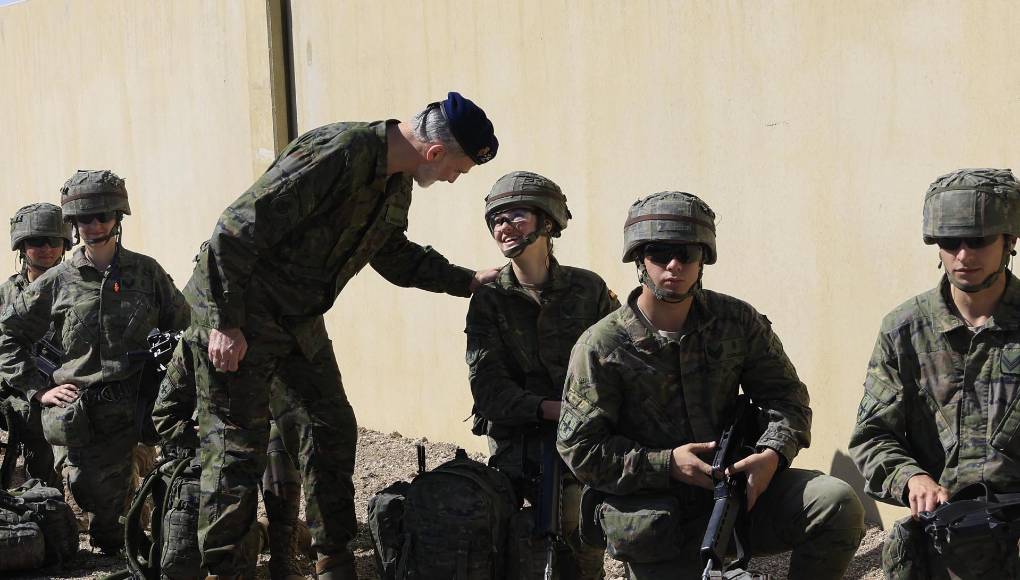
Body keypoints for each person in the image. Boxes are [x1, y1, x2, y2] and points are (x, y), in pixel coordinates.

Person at [178, 91, 500, 579]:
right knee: (235, 450)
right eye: (458, 169)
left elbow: (390, 253)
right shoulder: (338, 152)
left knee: (330, 424)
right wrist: (224, 323)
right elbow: (235, 229)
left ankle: (333, 557)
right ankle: (226, 570)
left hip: (297, 318)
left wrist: (466, 280)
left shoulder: (395, 183)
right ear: (435, 153)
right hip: (242, 311)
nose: (454, 179)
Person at [557, 191, 865, 579]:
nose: (674, 265)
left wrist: (771, 454)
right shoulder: (601, 347)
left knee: (835, 503)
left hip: (738, 495)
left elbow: (786, 398)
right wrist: (668, 463)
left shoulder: (736, 321)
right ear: (639, 260)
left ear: (703, 259)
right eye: (658, 253)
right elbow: (581, 450)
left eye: (687, 253)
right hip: (657, 521)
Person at [0, 169, 191, 554]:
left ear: (118, 218)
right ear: (74, 224)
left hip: (144, 407)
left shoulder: (147, 272)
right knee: (100, 517)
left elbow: (184, 329)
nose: (94, 225)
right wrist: (39, 391)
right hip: (89, 414)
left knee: (175, 495)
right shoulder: (56, 281)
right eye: (84, 218)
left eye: (102, 216)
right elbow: (9, 336)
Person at [850, 168, 1020, 579]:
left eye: (978, 240)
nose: (964, 256)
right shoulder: (904, 329)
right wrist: (913, 479)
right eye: (950, 242)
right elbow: (872, 436)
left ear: (1009, 242)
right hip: (942, 538)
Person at [466, 171, 617, 578]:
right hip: (518, 443)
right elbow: (488, 389)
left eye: (516, 215)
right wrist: (550, 409)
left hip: (584, 441)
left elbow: (617, 367)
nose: (504, 226)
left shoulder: (588, 289)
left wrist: (585, 417)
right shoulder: (489, 299)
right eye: (497, 219)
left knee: (581, 539)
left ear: (548, 222)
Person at [0, 202, 71, 489]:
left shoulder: (79, 290)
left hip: (62, 396)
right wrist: (33, 390)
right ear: (21, 246)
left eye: (53, 241)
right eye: (36, 241)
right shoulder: (6, 297)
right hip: (13, 395)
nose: (46, 248)